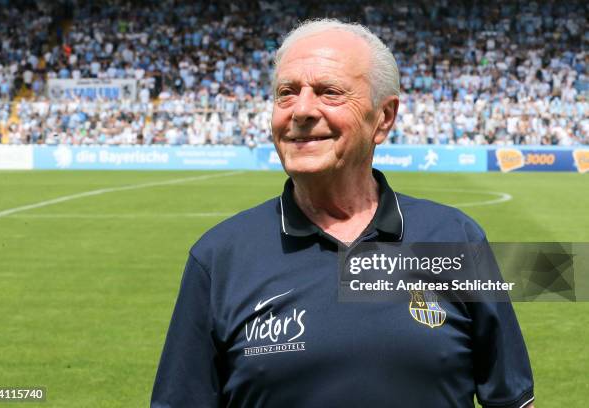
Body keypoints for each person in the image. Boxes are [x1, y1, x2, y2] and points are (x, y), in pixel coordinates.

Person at [151, 19, 535, 408]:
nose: (301, 110)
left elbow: (509, 398)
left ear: (383, 118)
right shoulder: (218, 258)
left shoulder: (456, 238)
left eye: (328, 92)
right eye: (286, 93)